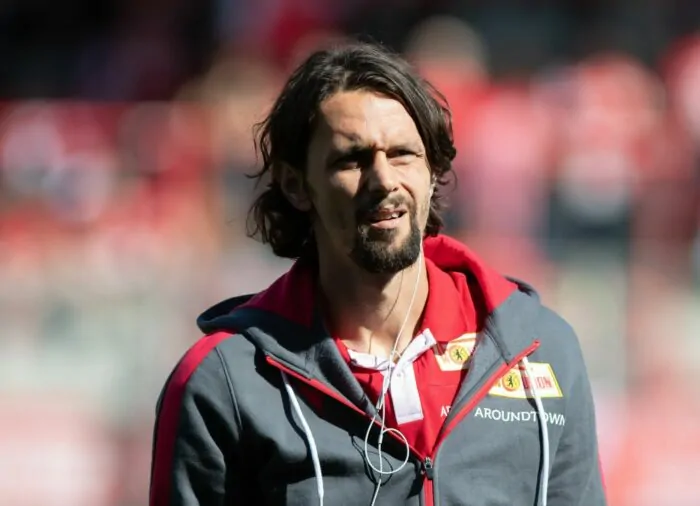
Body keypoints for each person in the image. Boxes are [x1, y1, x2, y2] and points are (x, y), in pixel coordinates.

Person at [149, 41, 607, 506]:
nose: (384, 180)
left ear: (433, 170)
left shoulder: (538, 349)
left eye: (403, 154)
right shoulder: (225, 381)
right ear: (295, 184)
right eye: (351, 159)